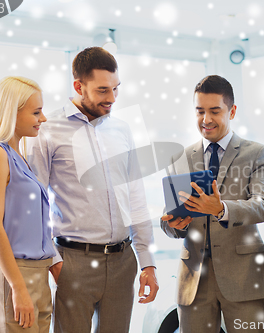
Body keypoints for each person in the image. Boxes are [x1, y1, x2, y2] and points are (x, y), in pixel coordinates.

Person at [26, 47, 158, 333]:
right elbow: (35, 203)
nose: (111, 98)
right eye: (102, 90)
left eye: (115, 89)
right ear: (78, 86)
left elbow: (135, 196)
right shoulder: (47, 131)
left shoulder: (123, 130)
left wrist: (147, 261)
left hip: (124, 262)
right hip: (74, 261)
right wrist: (56, 262)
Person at [161, 75, 264, 333]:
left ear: (232, 111)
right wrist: (174, 224)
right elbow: (168, 218)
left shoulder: (257, 153)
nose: (206, 119)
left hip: (243, 277)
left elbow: (263, 205)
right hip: (193, 279)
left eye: (215, 111)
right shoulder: (179, 157)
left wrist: (221, 209)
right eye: (200, 111)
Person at [0, 76, 56, 332]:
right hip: (14, 275)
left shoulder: (20, 157)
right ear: (12, 112)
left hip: (36, 274)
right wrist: (18, 288)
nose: (43, 119)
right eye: (36, 112)